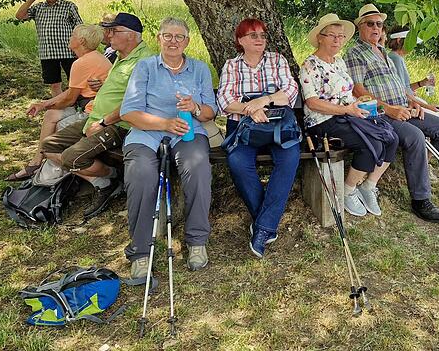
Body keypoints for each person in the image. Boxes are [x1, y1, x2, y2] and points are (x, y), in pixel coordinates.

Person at [344, 4, 439, 224]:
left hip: (402, 108)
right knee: (414, 137)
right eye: (370, 24)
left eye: (379, 24)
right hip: (380, 114)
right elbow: (358, 91)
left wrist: (415, 103)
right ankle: (421, 199)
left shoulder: (384, 53)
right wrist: (390, 109)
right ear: (360, 27)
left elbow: (400, 86)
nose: (376, 28)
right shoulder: (355, 53)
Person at [121, 17, 217, 278]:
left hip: (188, 131)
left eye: (179, 37)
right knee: (141, 174)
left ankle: (197, 242)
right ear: (158, 38)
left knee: (198, 168)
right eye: (168, 36)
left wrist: (195, 108)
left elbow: (210, 112)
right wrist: (164, 123)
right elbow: (129, 112)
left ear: (187, 41)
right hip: (147, 132)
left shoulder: (199, 69)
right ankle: (141, 252)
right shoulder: (145, 67)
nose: (173, 41)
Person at [40, 13, 153, 216]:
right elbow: (119, 90)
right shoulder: (121, 56)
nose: (107, 35)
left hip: (119, 124)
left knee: (71, 158)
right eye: (108, 30)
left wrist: (102, 123)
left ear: (131, 35)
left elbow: (133, 103)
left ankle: (112, 179)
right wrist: (102, 87)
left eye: (113, 31)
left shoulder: (144, 62)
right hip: (95, 118)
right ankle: (108, 179)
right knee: (47, 145)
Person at [300, 14, 398, 217]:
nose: (338, 40)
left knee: (391, 137)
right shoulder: (310, 65)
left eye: (341, 36)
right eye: (332, 36)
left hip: (349, 114)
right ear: (320, 37)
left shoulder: (339, 62)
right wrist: (347, 109)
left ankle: (369, 186)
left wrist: (360, 104)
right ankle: (348, 190)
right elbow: (312, 102)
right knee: (371, 143)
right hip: (323, 121)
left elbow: (349, 92)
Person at [217, 18, 300, 258]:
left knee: (290, 156)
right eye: (253, 35)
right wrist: (250, 109)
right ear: (240, 40)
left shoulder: (277, 60)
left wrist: (262, 102)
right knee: (237, 162)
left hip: (277, 123)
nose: (259, 40)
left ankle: (263, 228)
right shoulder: (232, 65)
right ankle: (266, 222)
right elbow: (224, 100)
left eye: (263, 35)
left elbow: (290, 92)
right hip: (244, 124)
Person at [6, 24, 112, 181]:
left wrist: (46, 104)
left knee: (57, 128)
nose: (69, 38)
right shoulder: (94, 57)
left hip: (93, 113)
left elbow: (69, 99)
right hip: (90, 108)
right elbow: (70, 94)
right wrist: (44, 105)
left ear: (81, 41)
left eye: (72, 36)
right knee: (51, 114)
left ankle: (70, 177)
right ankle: (36, 161)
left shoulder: (82, 63)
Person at [15, 0, 83, 97]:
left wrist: (79, 49)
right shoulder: (38, 7)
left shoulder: (68, 6)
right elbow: (19, 16)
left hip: (68, 51)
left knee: (75, 82)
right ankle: (58, 106)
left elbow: (79, 27)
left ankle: (78, 106)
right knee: (54, 84)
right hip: (48, 52)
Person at [387, 26, 439, 130]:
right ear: (399, 40)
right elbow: (401, 91)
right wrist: (427, 107)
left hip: (411, 101)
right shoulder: (395, 58)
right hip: (406, 104)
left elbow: (403, 86)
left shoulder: (398, 58)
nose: (413, 45)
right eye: (410, 41)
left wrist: (422, 83)